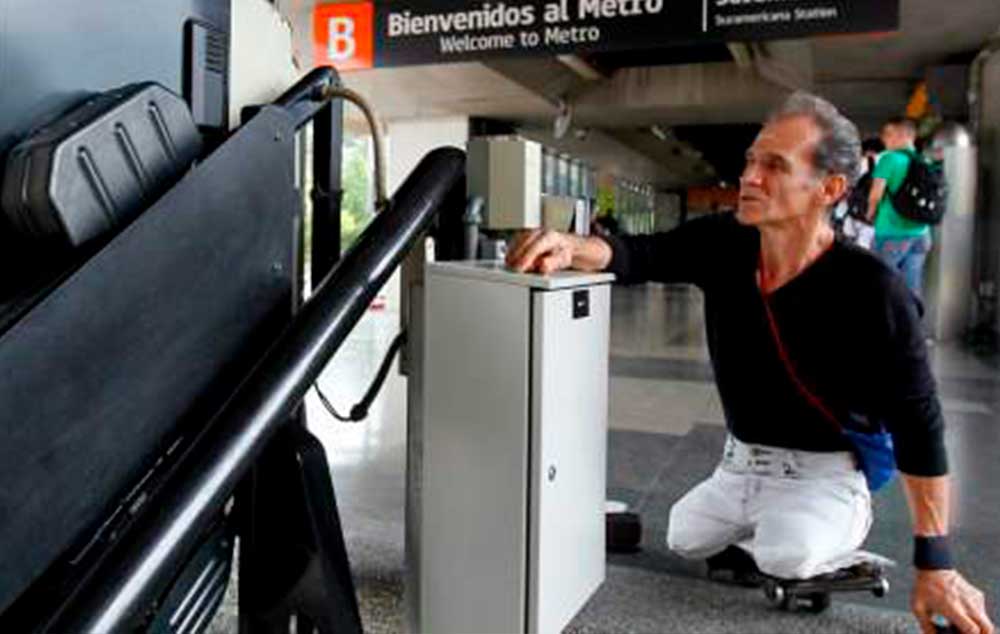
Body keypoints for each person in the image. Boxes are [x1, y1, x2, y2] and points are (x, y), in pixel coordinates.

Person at [505, 92, 993, 634]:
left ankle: (835, 539)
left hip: (825, 473)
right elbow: (639, 254)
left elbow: (919, 422)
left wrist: (937, 560)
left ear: (829, 189)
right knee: (684, 534)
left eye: (775, 166)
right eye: (751, 161)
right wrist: (571, 248)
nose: (750, 177)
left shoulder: (873, 290)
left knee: (788, 552)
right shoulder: (724, 241)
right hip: (742, 464)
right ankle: (771, 528)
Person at [868, 117, 933, 300]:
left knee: (879, 284)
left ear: (903, 135)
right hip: (921, 234)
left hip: (891, 232)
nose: (884, 139)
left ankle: (883, 327)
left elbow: (875, 195)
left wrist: (869, 214)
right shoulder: (924, 160)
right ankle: (911, 326)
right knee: (911, 288)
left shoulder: (889, 159)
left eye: (888, 134)